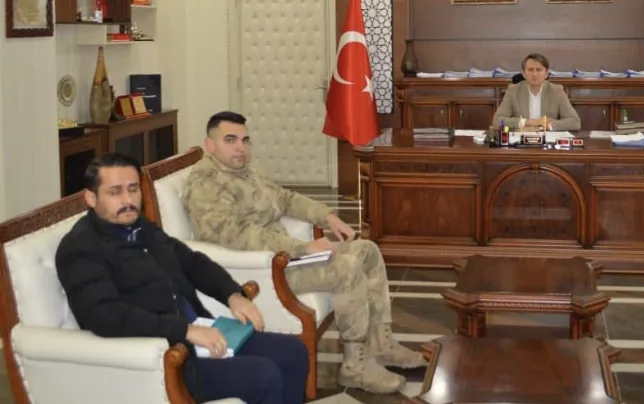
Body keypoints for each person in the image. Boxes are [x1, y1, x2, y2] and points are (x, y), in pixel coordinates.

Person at [182, 111, 424, 394]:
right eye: (230, 140)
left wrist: (328, 216)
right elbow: (236, 236)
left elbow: (286, 199)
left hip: (286, 258)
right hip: (263, 271)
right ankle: (355, 367)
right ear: (210, 144)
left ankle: (381, 344)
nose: (240, 148)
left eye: (245, 140)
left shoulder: (247, 171)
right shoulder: (205, 183)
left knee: (367, 250)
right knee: (346, 268)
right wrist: (302, 247)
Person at [56, 153, 308, 404]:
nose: (128, 200)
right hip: (168, 359)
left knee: (293, 353)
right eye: (115, 192)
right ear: (91, 197)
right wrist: (185, 330)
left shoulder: (140, 228)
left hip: (201, 334)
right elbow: (105, 316)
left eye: (133, 189)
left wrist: (233, 294)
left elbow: (192, 262)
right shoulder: (81, 248)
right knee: (263, 376)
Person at [492, 53, 581, 131]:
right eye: (530, 70)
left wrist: (547, 125)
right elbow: (497, 121)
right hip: (521, 141)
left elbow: (575, 122)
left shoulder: (556, 91)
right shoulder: (513, 90)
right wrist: (529, 122)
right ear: (524, 74)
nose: (534, 74)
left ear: (546, 73)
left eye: (538, 70)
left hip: (547, 141)